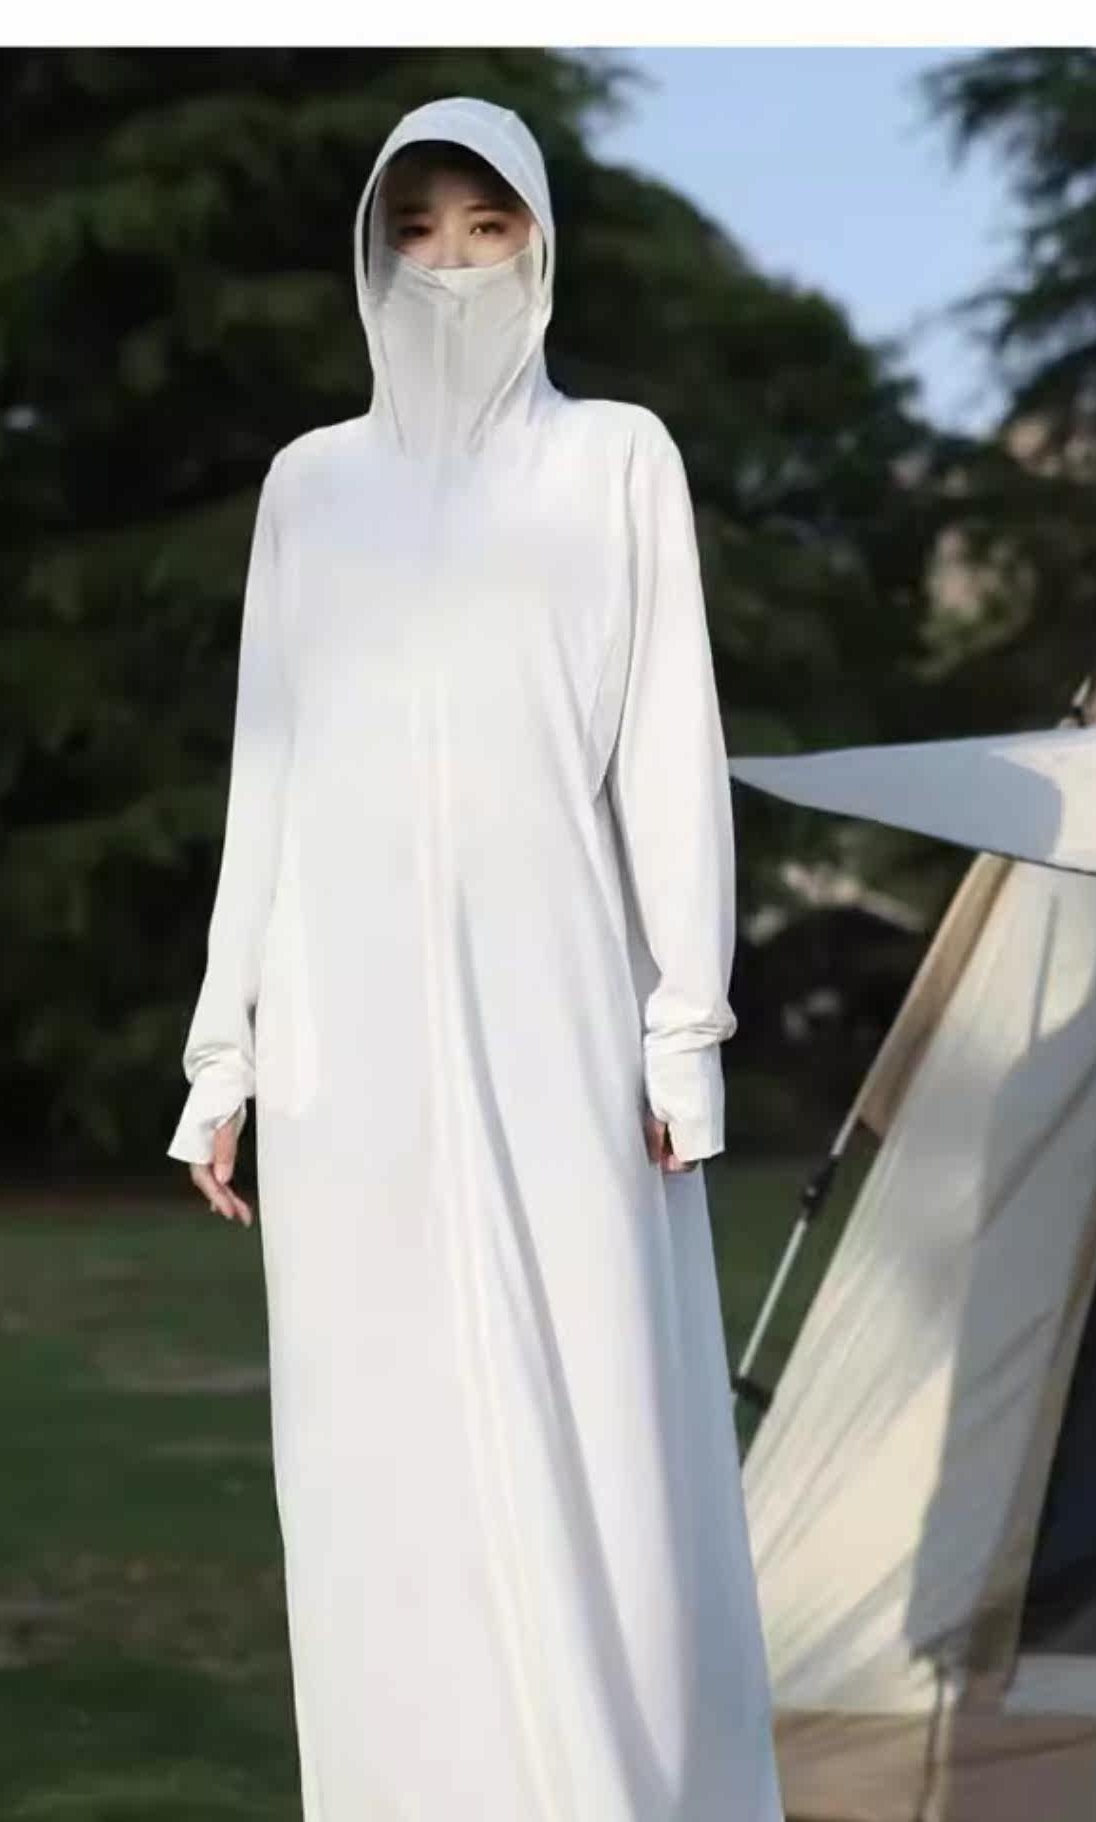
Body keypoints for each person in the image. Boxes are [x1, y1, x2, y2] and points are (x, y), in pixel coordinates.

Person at [166, 95, 785, 1821]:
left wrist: (684, 1029)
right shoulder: (311, 488)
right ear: (374, 252)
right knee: (381, 1445)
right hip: (346, 1030)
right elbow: (268, 768)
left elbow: (667, 749)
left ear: (541, 244)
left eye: (487, 226)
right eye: (419, 228)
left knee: (597, 1427)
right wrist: (225, 1054)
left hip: (558, 1006)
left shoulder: (618, 460)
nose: (451, 263)